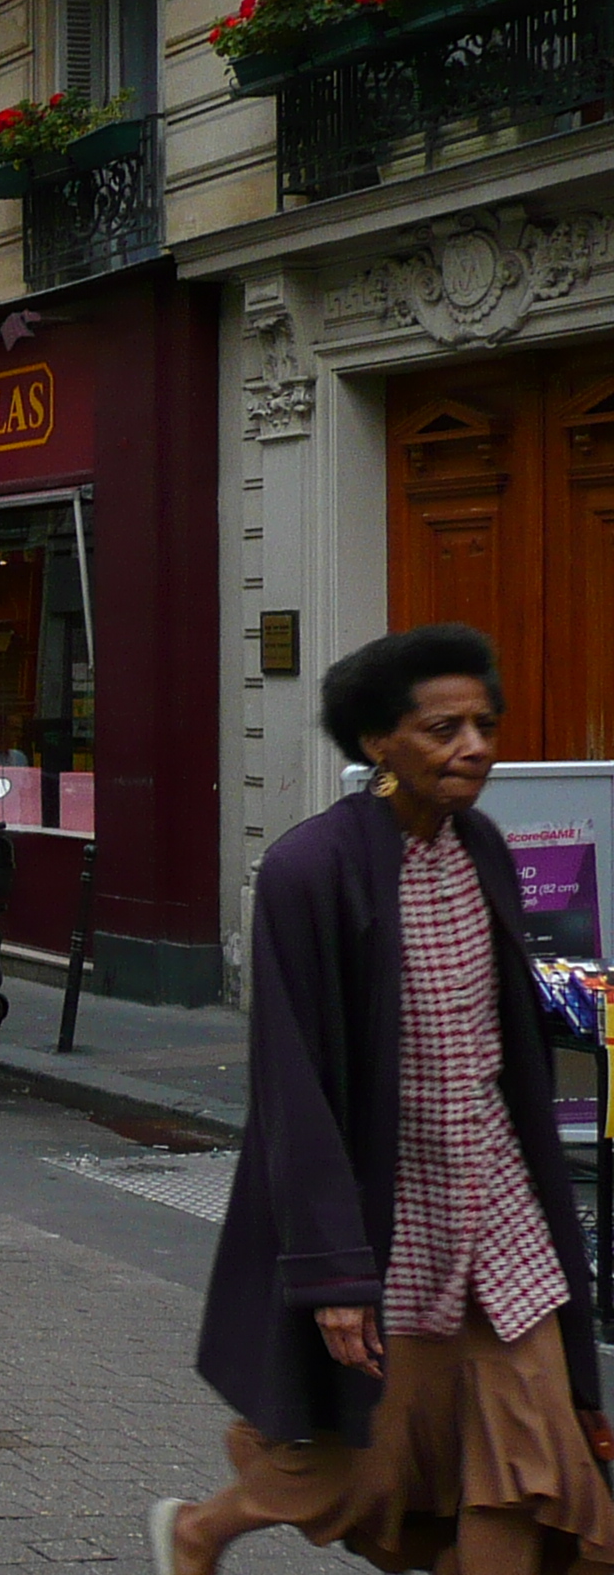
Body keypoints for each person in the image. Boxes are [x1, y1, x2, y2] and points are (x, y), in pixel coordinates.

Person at [156, 626, 614, 1575]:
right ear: (376, 743)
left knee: (529, 1459)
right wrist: (332, 1278)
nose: (476, 746)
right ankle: (199, 1531)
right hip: (387, 1217)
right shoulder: (307, 870)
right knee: (365, 1456)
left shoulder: (482, 846)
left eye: (485, 724)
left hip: (497, 1211)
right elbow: (295, 1089)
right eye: (443, 728)